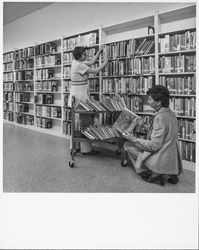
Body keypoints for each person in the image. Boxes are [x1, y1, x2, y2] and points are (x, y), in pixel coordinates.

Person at [122, 85, 183, 186]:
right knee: (137, 143)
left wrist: (133, 139)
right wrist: (145, 125)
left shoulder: (159, 117)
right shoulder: (170, 114)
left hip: (159, 156)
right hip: (170, 155)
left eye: (150, 99)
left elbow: (154, 145)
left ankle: (151, 172)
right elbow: (163, 132)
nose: (148, 101)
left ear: (158, 102)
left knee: (127, 145)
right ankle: (169, 170)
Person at [68, 45, 108, 154]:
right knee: (85, 122)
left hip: (78, 93)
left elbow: (91, 62)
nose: (86, 56)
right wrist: (105, 62)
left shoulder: (75, 62)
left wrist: (99, 51)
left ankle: (77, 147)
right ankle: (86, 150)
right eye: (84, 54)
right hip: (80, 95)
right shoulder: (79, 65)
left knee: (81, 122)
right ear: (79, 56)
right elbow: (95, 71)